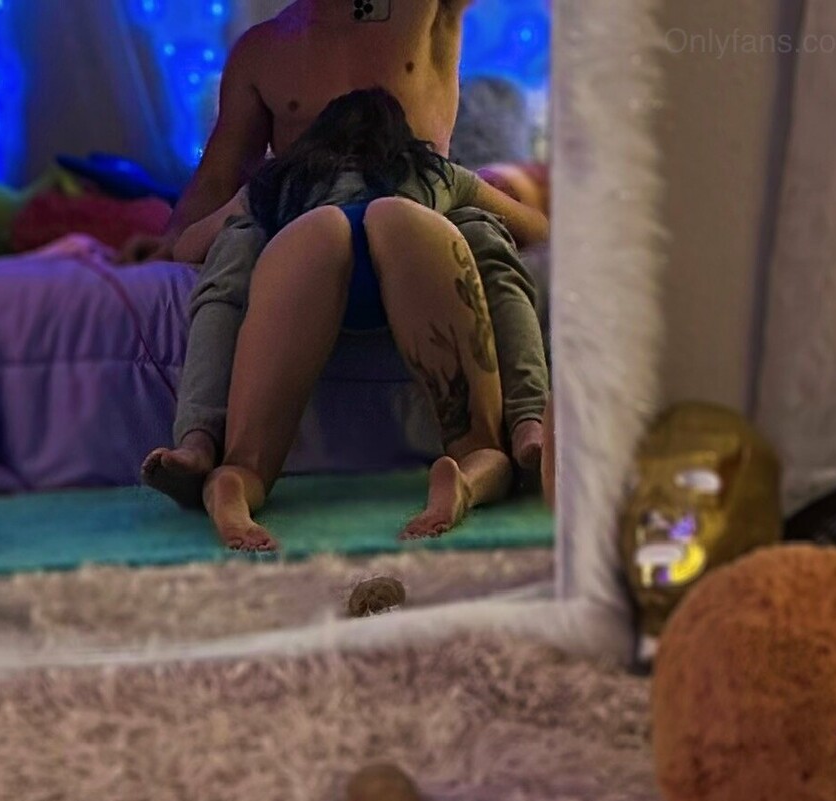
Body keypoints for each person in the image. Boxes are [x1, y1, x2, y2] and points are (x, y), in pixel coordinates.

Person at [130, 0, 552, 508]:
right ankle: (200, 443)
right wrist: (171, 240)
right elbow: (220, 177)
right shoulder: (262, 51)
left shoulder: (428, 12)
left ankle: (530, 423)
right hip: (298, 217)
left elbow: (525, 224)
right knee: (234, 250)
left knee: (486, 240)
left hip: (424, 210)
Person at [179, 88, 548, 550]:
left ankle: (229, 479)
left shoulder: (279, 180)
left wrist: (250, 215)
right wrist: (465, 205)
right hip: (410, 234)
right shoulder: (434, 171)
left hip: (308, 243)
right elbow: (536, 228)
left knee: (248, 460)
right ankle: (481, 464)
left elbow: (189, 245)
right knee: (483, 448)